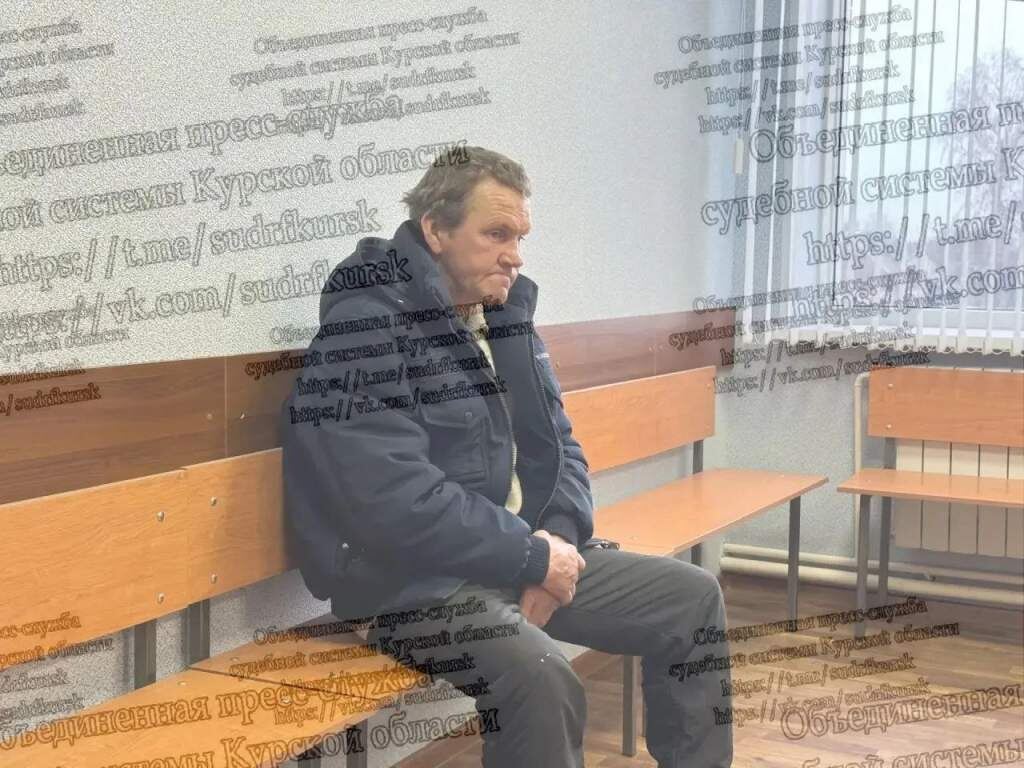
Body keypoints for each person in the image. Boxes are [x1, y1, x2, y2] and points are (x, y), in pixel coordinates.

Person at [281, 146, 733, 767]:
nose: (515, 254)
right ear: (435, 230)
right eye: (496, 234)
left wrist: (557, 541)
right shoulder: (366, 330)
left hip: (518, 554)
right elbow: (393, 501)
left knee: (692, 601)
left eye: (520, 237)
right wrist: (531, 557)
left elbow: (561, 446)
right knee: (540, 676)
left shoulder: (504, 318)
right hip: (411, 585)